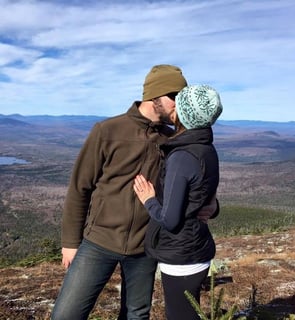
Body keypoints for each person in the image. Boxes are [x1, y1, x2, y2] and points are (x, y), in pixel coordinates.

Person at [51, 65, 215, 320]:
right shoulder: (107, 131)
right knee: (66, 315)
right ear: (154, 96)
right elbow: (79, 187)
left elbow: (195, 183)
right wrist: (70, 243)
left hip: (144, 247)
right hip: (99, 241)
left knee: (136, 315)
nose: (179, 104)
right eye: (174, 96)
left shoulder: (174, 141)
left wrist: (212, 206)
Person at [133, 84, 222, 320]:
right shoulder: (206, 148)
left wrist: (148, 199)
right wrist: (214, 207)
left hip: (181, 256)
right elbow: (201, 193)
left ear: (184, 113)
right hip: (196, 250)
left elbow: (170, 220)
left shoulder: (182, 156)